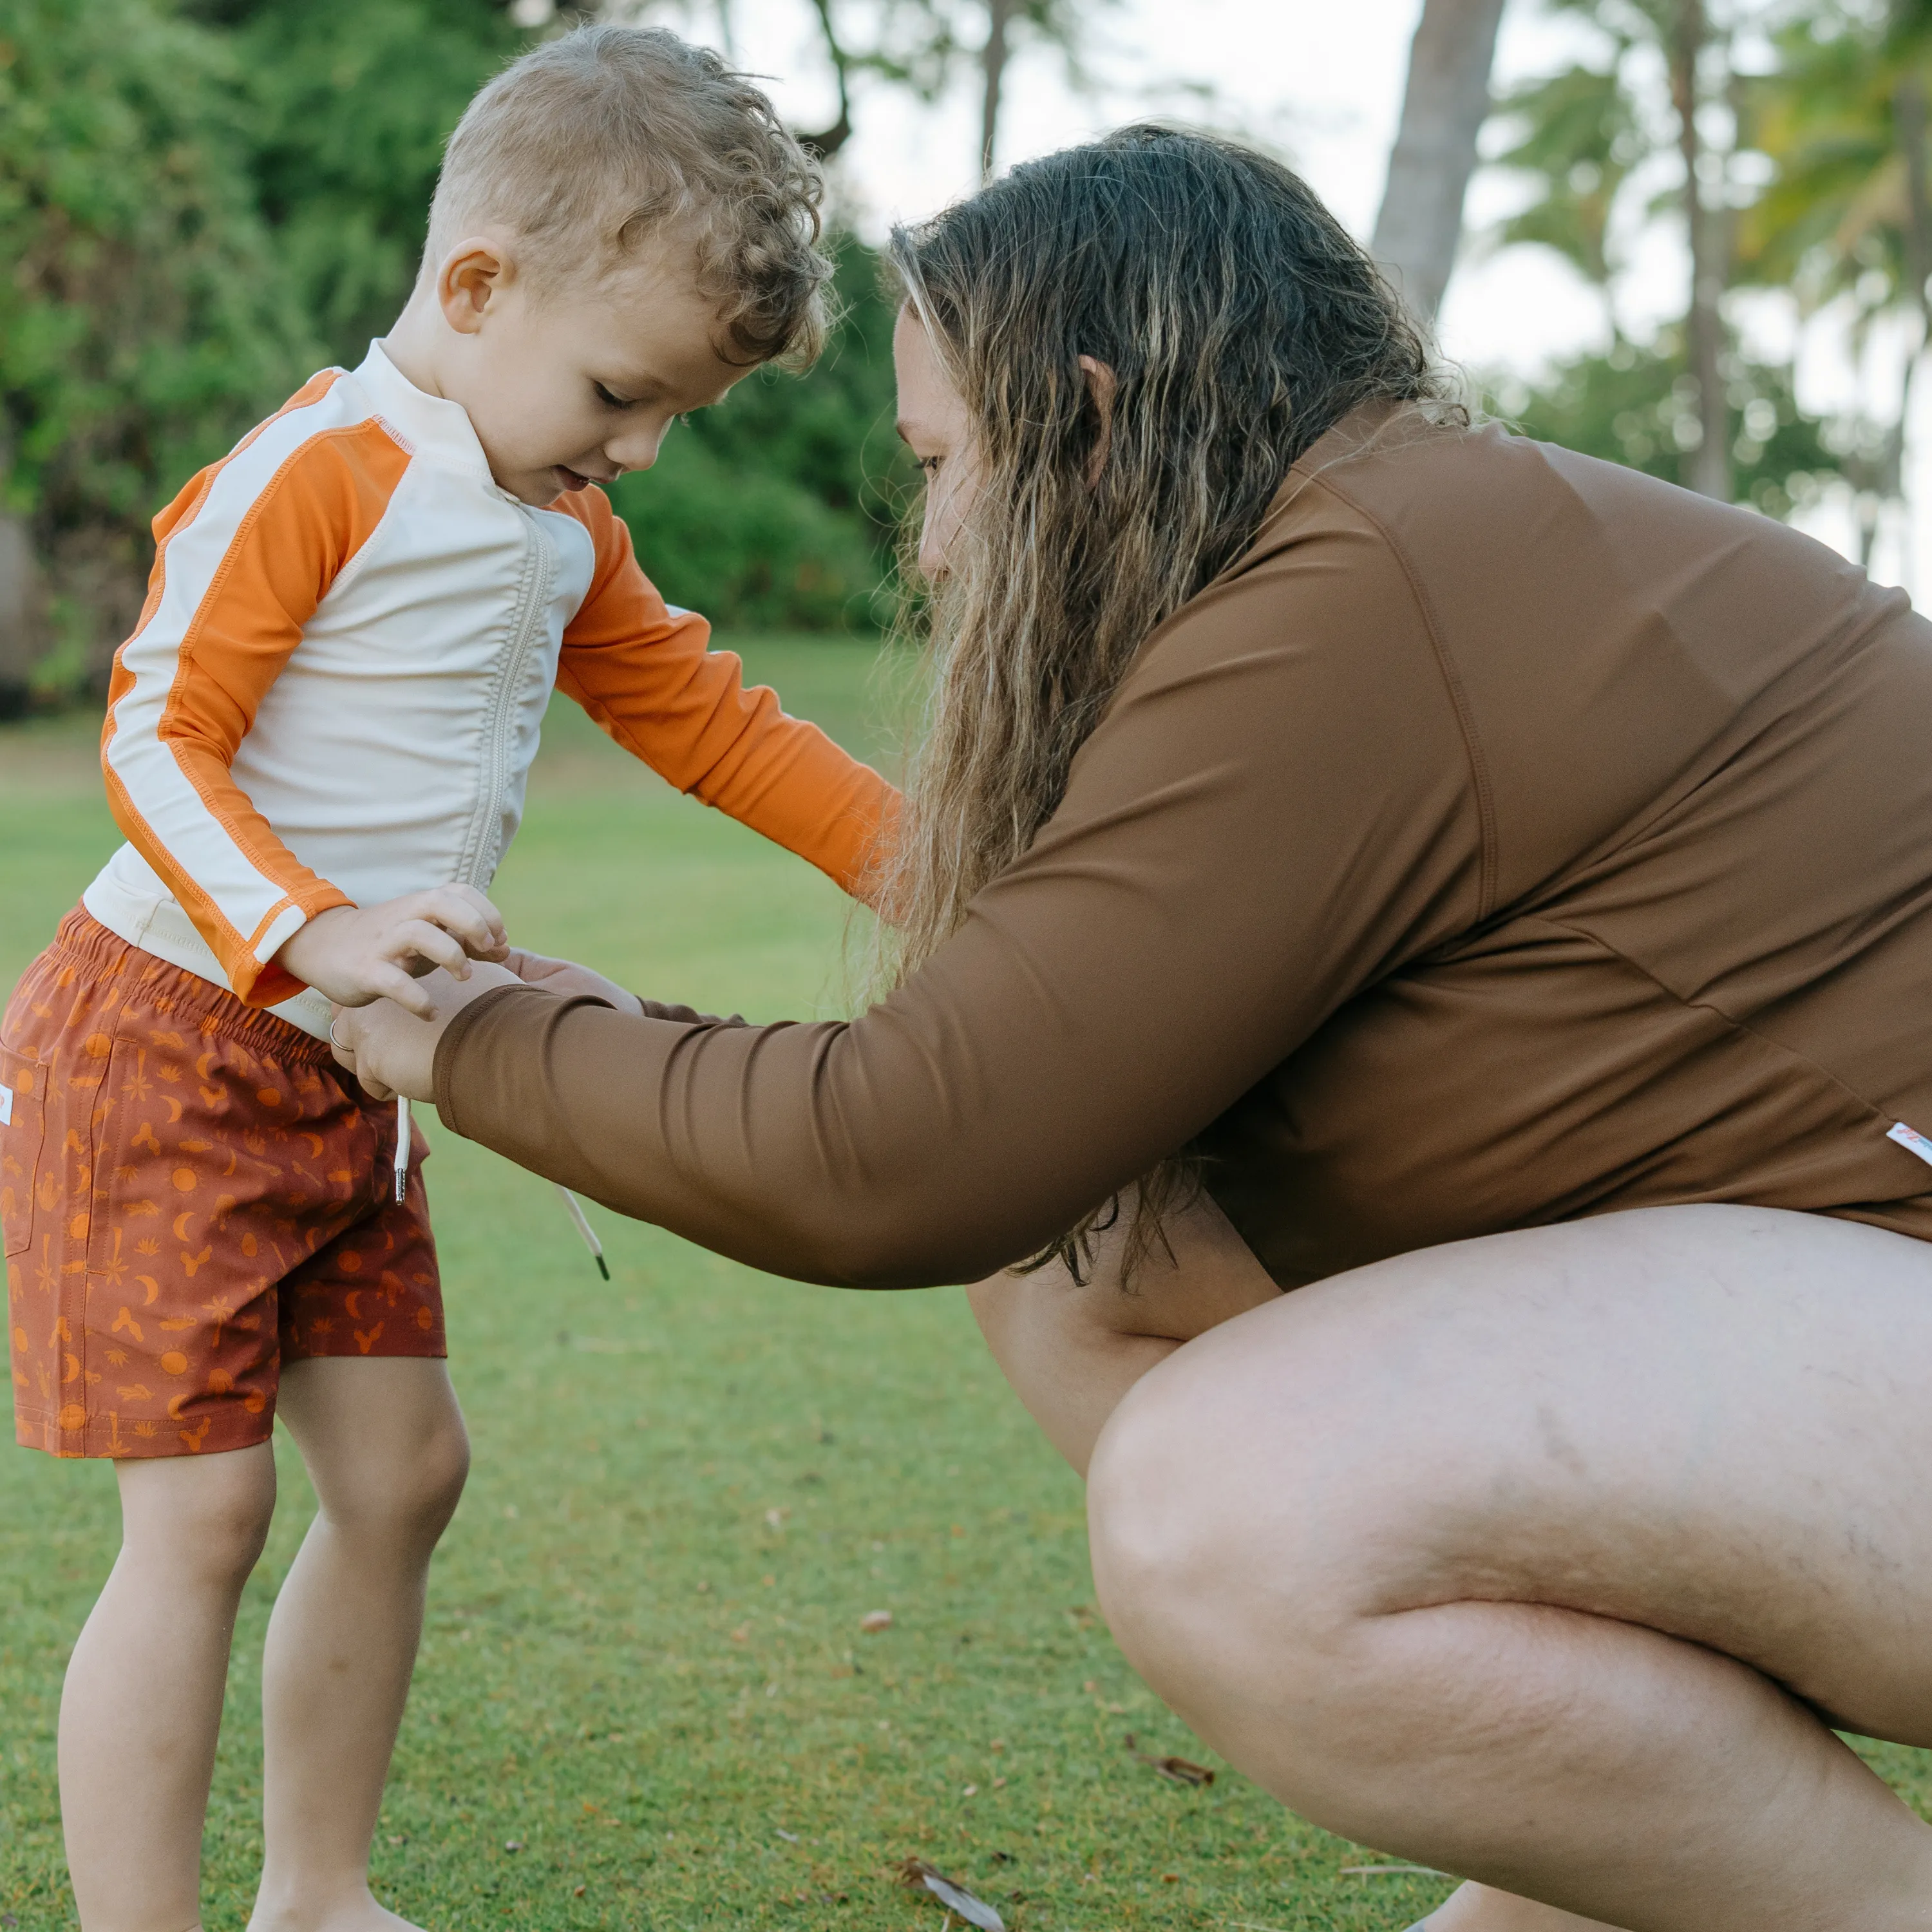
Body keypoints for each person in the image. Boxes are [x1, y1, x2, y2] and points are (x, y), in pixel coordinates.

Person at [332, 127, 1932, 1932]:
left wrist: (472, 1038)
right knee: (1082, 1264)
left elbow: (907, 1155)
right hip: (1855, 1331)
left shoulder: (1377, 585)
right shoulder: (1378, 544)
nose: (934, 551)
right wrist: (583, 1028)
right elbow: (1027, 1107)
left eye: (947, 468)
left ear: (1091, 423)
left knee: (1229, 1513)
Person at [0, 26, 895, 1932]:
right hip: (166, 1042)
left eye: (670, 422)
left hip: (359, 1069)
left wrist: (932, 871)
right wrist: (306, 924)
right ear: (478, 285)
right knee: (205, 1519)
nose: (637, 451)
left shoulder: (561, 528)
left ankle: (316, 1893)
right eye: (620, 393)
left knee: (403, 1479)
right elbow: (161, 731)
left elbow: (719, 727)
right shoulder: (321, 464)